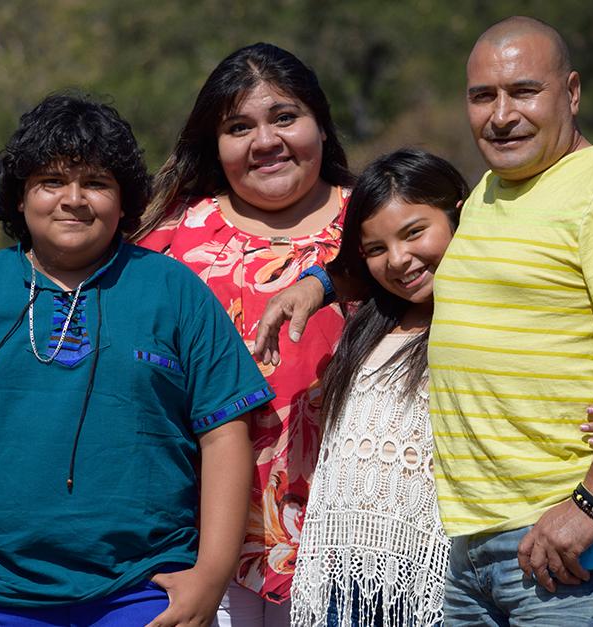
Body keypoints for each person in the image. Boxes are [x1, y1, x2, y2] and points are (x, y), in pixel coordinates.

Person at [259, 16, 593, 625]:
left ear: (572, 91)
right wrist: (320, 283)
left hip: (571, 532)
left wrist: (589, 507)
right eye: (483, 96)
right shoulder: (485, 197)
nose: (501, 114)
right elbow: (399, 265)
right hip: (470, 548)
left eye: (524, 91)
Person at [0, 94, 273, 627]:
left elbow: (226, 432)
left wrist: (210, 574)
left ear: (124, 199)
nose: (74, 200)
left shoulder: (174, 289)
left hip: (144, 593)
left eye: (96, 183)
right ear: (19, 198)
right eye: (51, 182)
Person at [133, 42, 356, 625]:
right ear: (215, 143)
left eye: (285, 117)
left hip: (355, 548)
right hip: (195, 552)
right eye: (239, 126)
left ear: (321, 126)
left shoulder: (381, 228)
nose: (265, 141)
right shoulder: (167, 241)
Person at [290, 149, 468, 627]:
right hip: (338, 572)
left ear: (459, 214)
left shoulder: (481, 319)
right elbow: (342, 272)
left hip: (430, 576)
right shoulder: (372, 321)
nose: (399, 260)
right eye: (376, 249)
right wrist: (316, 282)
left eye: (414, 233)